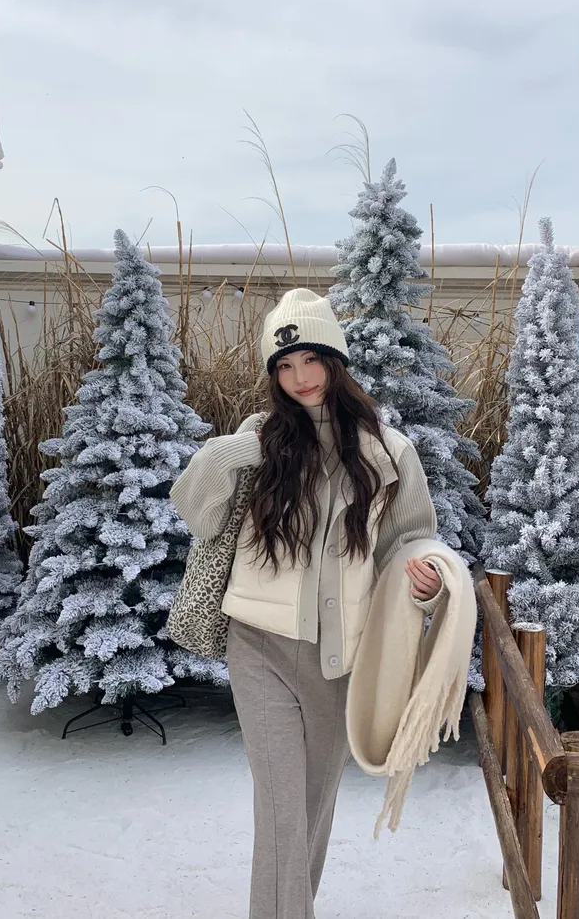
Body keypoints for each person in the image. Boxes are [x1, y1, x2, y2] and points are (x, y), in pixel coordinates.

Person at [171, 288, 444, 919]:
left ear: (335, 360)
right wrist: (232, 450)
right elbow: (194, 510)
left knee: (312, 810)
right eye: (285, 366)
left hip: (338, 660)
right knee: (281, 810)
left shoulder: (388, 451)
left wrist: (426, 582)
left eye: (311, 360)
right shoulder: (259, 441)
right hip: (258, 646)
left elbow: (409, 539)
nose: (300, 378)